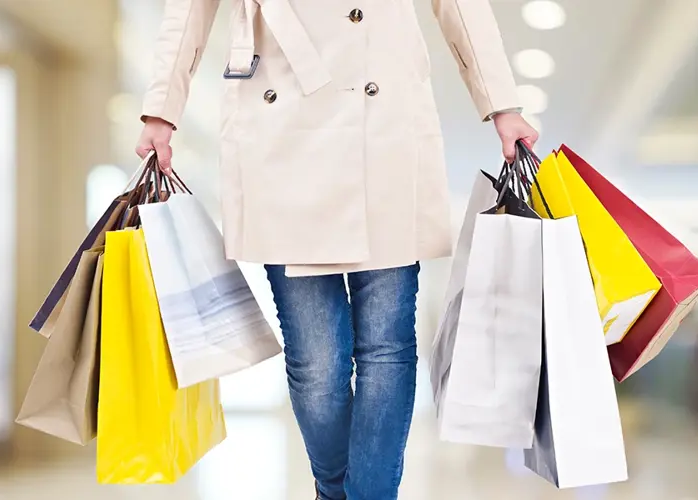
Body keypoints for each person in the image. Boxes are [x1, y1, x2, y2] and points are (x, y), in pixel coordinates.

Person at [136, 1, 537, 498]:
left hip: (383, 125)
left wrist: (502, 102)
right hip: (280, 120)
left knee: (387, 348)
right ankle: (334, 490)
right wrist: (162, 109)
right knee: (316, 362)